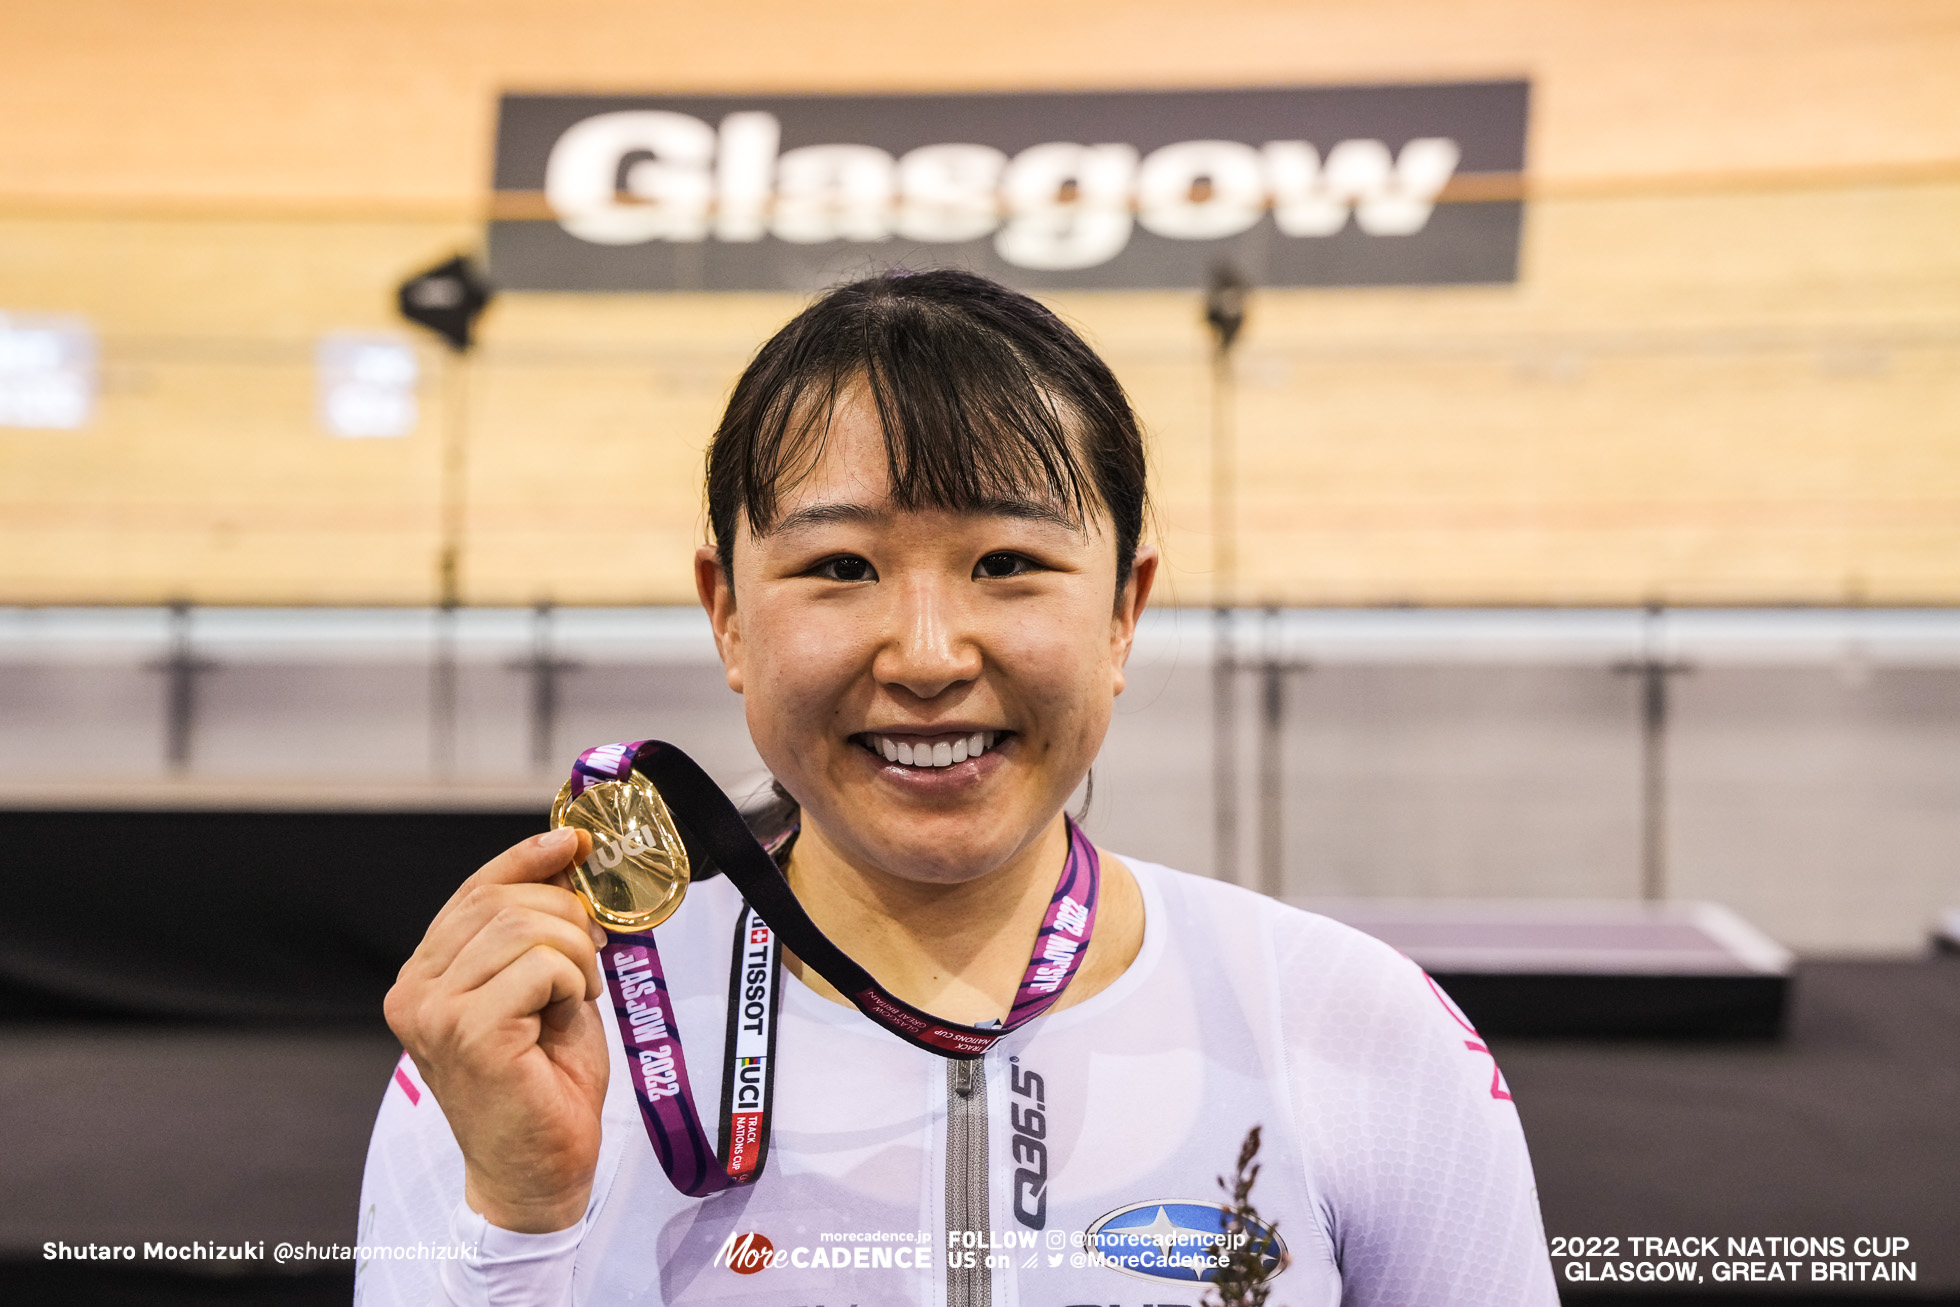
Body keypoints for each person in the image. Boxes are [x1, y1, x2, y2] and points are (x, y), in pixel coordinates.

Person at [358, 269, 1557, 1306]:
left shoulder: (1351, 1026)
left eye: (1007, 563)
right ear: (727, 614)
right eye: (840, 565)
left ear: (1123, 612)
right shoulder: (539, 1045)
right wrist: (523, 1220)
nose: (928, 654)